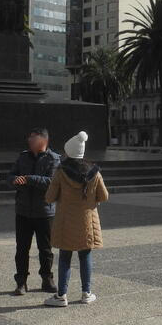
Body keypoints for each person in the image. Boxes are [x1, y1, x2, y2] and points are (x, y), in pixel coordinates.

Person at [44, 132, 109, 307]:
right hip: (87, 222)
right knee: (85, 255)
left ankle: (61, 296)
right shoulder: (94, 172)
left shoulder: (61, 172)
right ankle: (86, 293)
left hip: (65, 222)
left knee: (65, 257)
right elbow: (104, 196)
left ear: (68, 152)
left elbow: (49, 197)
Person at [11, 127, 62, 295]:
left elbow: (52, 182)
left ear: (43, 139)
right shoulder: (23, 157)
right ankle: (21, 282)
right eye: (29, 137)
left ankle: (47, 279)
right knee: (22, 249)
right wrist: (15, 180)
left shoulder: (54, 159)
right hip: (23, 211)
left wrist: (28, 179)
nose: (29, 140)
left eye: (33, 137)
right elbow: (10, 176)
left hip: (45, 212)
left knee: (45, 249)